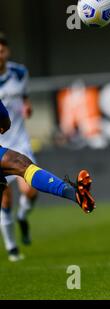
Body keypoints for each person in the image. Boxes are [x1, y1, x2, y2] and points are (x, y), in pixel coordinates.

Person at [0, 98, 96, 262]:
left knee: (21, 167)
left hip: (14, 145)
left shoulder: (18, 74)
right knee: (17, 174)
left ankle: (77, 195)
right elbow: (5, 123)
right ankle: (12, 248)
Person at [0, 33, 38, 248]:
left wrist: (27, 106)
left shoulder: (20, 72)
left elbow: (24, 98)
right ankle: (12, 247)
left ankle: (23, 216)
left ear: (7, 51)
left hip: (20, 141)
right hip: (0, 145)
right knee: (5, 198)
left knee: (31, 189)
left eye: (2, 50)